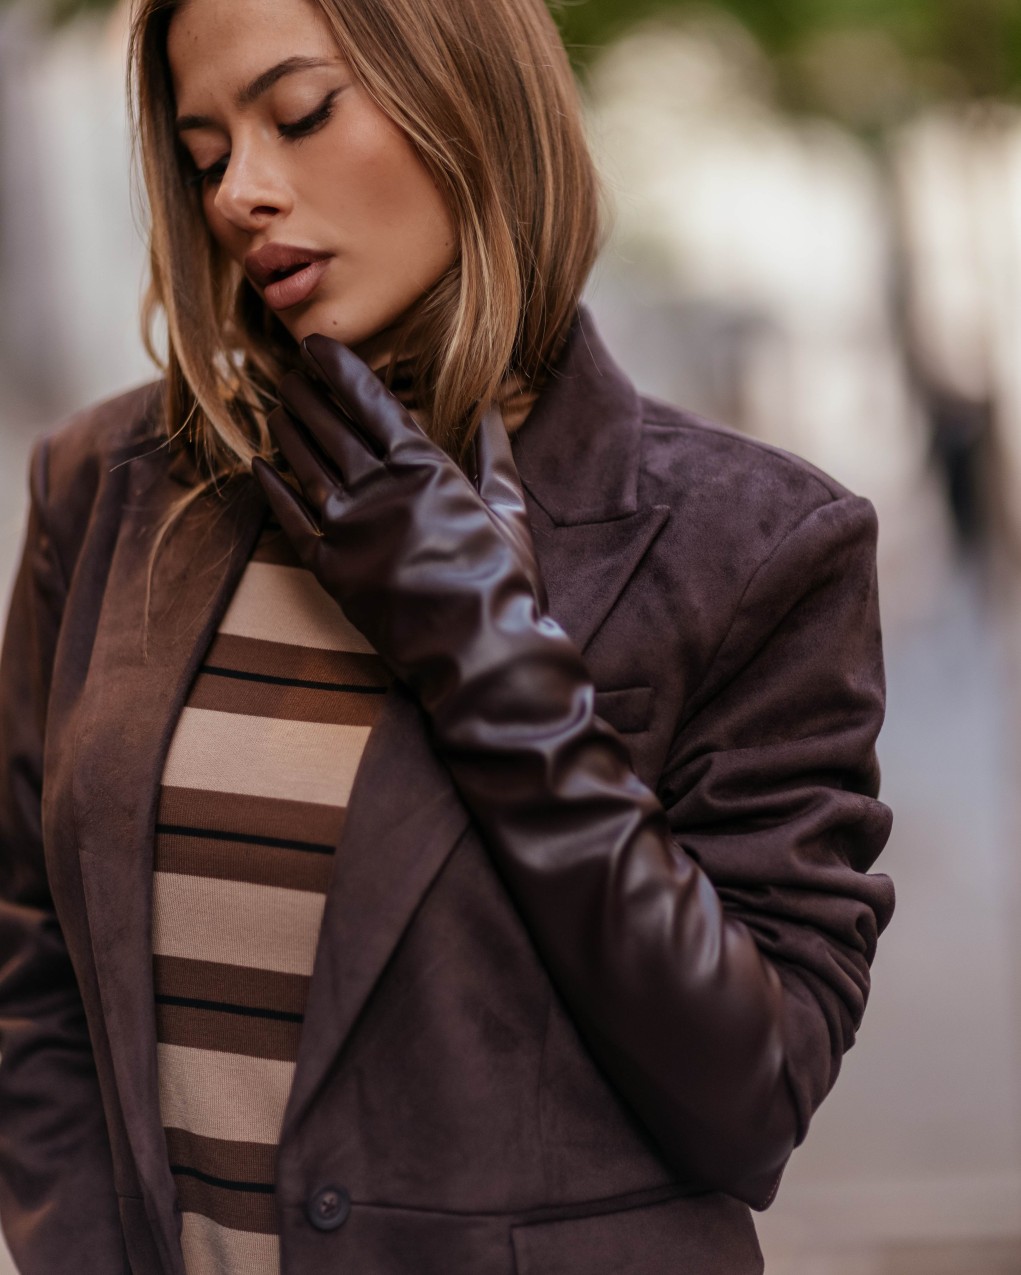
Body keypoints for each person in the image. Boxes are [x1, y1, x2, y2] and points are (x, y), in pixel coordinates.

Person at [0, 0, 895, 1271]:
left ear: (466, 95)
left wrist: (485, 657)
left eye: (301, 113)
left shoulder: (755, 547)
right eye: (205, 157)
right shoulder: (104, 490)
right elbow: (31, 966)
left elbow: (749, 1097)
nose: (241, 192)